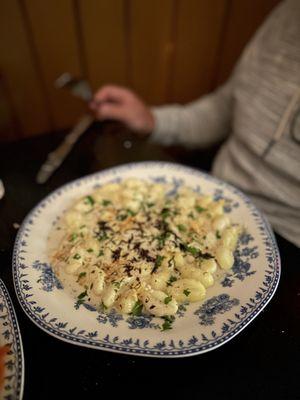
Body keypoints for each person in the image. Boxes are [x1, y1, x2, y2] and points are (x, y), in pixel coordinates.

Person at [90, 0, 300, 247]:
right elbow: (226, 107)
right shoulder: (288, 12)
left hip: (289, 238)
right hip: (212, 202)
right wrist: (153, 120)